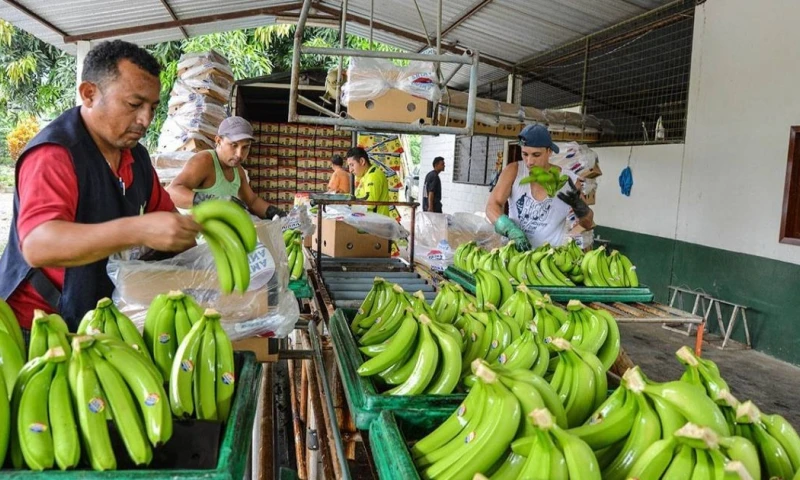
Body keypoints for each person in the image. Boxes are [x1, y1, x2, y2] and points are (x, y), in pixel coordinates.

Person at [0, 40, 201, 333]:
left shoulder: (136, 156)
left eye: (152, 107)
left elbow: (166, 219)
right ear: (89, 94)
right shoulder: (55, 154)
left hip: (95, 316)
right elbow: (38, 244)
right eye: (134, 105)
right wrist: (139, 230)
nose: (145, 120)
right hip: (37, 325)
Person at [486, 124, 594, 251]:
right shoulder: (514, 171)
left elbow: (587, 223)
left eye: (536, 155)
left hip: (547, 259)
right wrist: (510, 229)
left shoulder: (567, 181)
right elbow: (492, 206)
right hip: (514, 253)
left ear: (549, 151)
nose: (529, 161)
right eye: (525, 154)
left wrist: (578, 205)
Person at [166, 116, 285, 219]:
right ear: (218, 140)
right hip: (195, 238)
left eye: (245, 147)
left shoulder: (238, 171)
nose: (239, 154)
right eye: (234, 145)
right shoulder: (204, 161)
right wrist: (214, 200)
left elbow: (252, 202)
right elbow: (172, 192)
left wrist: (278, 214)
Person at [346, 147, 391, 217]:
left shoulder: (373, 176)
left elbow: (369, 203)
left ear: (362, 161)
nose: (350, 170)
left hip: (376, 224)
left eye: (352, 165)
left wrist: (349, 204)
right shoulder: (365, 176)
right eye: (349, 166)